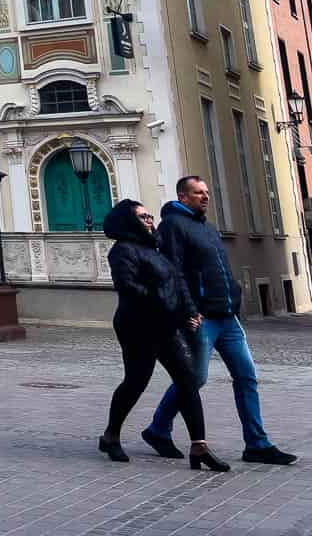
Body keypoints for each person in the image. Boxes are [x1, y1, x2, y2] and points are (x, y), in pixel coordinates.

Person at [143, 176, 298, 465]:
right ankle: (158, 429)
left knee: (246, 377)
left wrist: (235, 297)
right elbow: (174, 273)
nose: (205, 197)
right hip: (202, 318)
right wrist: (189, 310)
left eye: (206, 192)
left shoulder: (208, 228)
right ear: (182, 196)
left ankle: (257, 444)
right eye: (198, 193)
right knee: (195, 379)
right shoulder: (173, 225)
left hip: (228, 318)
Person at [99, 199, 226, 470]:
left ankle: (199, 446)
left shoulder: (155, 248)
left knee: (187, 381)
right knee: (135, 382)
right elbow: (128, 287)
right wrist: (165, 304)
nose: (149, 220)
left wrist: (188, 310)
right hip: (137, 326)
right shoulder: (123, 250)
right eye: (142, 217)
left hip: (164, 325)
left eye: (149, 216)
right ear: (128, 222)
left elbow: (177, 281)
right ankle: (111, 435)